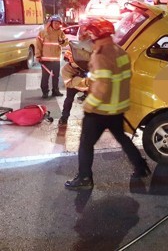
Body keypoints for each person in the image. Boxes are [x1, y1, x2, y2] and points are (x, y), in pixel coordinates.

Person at [65, 18, 150, 190]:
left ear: (94, 35)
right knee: (122, 138)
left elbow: (102, 86)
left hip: (99, 111)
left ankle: (84, 178)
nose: (88, 38)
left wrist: (89, 106)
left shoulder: (101, 55)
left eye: (89, 35)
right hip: (117, 108)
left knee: (86, 144)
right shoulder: (120, 52)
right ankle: (141, 166)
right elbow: (124, 80)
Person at [35, 15, 68, 98]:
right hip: (45, 59)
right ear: (51, 23)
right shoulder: (43, 32)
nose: (57, 25)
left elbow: (65, 43)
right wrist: (38, 56)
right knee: (45, 77)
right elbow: (38, 45)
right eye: (55, 23)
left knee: (56, 76)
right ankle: (45, 92)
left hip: (56, 59)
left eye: (58, 23)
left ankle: (55, 91)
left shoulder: (60, 33)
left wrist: (63, 41)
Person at [58, 50, 89, 128]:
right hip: (73, 87)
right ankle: (64, 117)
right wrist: (79, 76)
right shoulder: (65, 70)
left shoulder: (87, 65)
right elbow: (69, 84)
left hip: (88, 87)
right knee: (68, 100)